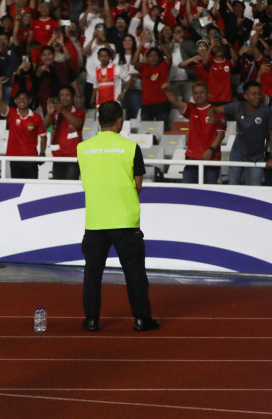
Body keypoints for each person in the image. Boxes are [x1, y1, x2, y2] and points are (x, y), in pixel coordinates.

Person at [76, 100, 159, 333]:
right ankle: (142, 320)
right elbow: (138, 185)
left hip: (95, 220)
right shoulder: (131, 148)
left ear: (98, 120)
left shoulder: (83, 148)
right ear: (120, 120)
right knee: (134, 273)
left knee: (92, 273)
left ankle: (91, 320)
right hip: (124, 219)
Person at [162, 82, 226, 185]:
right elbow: (176, 102)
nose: (198, 95)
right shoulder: (192, 109)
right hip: (192, 158)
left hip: (211, 158)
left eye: (201, 93)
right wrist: (167, 91)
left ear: (208, 94)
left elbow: (221, 134)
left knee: (209, 192)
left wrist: (210, 149)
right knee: (188, 191)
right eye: (195, 93)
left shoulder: (217, 111)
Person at [213, 82, 272, 186]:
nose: (257, 97)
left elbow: (271, 136)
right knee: (233, 185)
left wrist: (271, 158)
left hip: (257, 155)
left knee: (256, 188)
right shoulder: (237, 107)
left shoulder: (266, 111)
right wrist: (212, 117)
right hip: (238, 152)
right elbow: (214, 110)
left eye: (259, 94)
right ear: (245, 96)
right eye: (253, 94)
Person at [0, 78, 46, 179]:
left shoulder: (36, 117)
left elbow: (43, 137)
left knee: (31, 189)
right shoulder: (11, 113)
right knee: (17, 189)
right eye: (19, 98)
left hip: (31, 159)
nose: (22, 100)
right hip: (15, 158)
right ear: (15, 101)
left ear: (29, 100)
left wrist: (42, 153)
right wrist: (0, 85)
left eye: (25, 98)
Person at [43, 86, 84, 180]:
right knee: (58, 188)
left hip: (73, 157)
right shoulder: (55, 112)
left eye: (67, 95)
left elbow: (78, 124)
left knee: (70, 188)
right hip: (57, 156)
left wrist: (63, 111)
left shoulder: (79, 112)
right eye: (61, 95)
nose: (64, 98)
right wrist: (49, 113)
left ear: (72, 97)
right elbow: (45, 125)